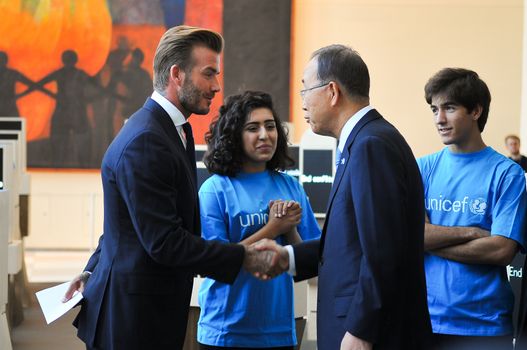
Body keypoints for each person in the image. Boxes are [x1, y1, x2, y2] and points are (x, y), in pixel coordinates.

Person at [62, 26, 276, 350]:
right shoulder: (147, 139)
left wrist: (90, 271)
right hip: (135, 319)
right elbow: (164, 242)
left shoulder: (170, 130)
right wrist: (242, 257)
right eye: (209, 74)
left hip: (144, 306)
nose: (217, 86)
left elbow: (123, 226)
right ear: (177, 74)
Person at [255, 44, 431, 349]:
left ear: (332, 92)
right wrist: (290, 257)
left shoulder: (370, 145)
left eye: (305, 90)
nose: (303, 103)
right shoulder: (364, 142)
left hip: (368, 334)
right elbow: (351, 244)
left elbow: (383, 252)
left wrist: (362, 330)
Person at [197, 91, 321, 349]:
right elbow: (214, 261)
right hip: (224, 331)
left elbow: (314, 257)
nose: (265, 135)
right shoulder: (214, 190)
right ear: (234, 136)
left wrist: (289, 231)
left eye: (270, 126)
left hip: (279, 332)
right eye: (253, 128)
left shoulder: (291, 186)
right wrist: (273, 228)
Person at [418, 68, 527, 350]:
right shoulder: (423, 168)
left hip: (486, 327)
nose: (439, 119)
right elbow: (414, 236)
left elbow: (501, 250)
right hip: (426, 321)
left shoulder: (507, 174)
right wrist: (474, 233)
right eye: (434, 109)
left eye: (449, 108)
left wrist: (430, 241)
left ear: (476, 111)